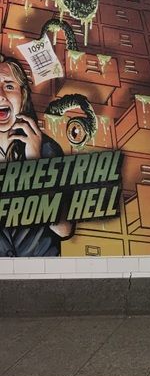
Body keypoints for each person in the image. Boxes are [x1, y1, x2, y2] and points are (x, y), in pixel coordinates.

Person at [0, 54, 73, 256]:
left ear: (23, 96)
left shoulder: (47, 149)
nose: (0, 95)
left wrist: (36, 164)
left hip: (40, 273)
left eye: (9, 86)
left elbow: (64, 228)